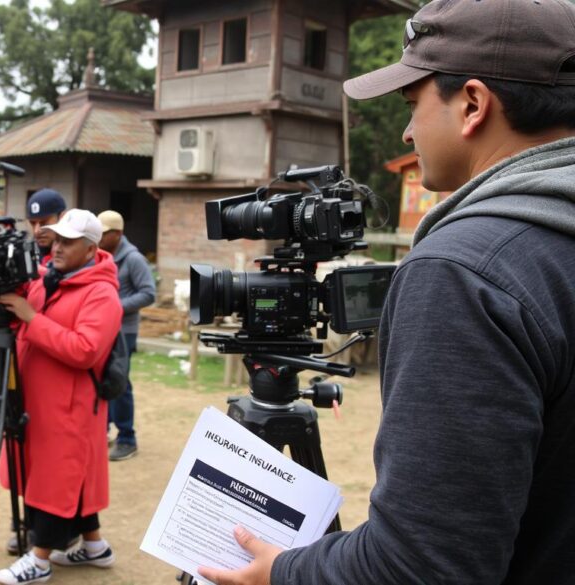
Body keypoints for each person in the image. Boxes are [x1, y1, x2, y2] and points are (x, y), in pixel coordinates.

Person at [198, 2, 575, 584]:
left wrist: (285, 573)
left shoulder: (463, 270)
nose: (405, 131)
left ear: (472, 104)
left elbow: (422, 567)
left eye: (411, 105)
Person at [0, 209, 123, 584]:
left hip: (70, 406)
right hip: (40, 402)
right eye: (57, 239)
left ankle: (39, 559)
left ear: (90, 248)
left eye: (68, 241)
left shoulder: (102, 294)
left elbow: (86, 349)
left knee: (56, 478)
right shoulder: (50, 278)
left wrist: (31, 318)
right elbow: (24, 315)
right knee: (64, 474)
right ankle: (95, 546)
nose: (58, 247)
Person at [97, 210, 156, 462]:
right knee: (103, 382)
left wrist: (116, 307)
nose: (98, 237)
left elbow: (148, 293)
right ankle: (103, 431)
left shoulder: (133, 259)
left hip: (124, 332)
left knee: (120, 384)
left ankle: (127, 439)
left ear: (117, 234)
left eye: (103, 233)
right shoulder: (101, 256)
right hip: (103, 331)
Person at [25, 188, 66, 266]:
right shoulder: (27, 255)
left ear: (62, 218)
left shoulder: (78, 255)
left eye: (44, 222)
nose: (37, 231)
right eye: (33, 223)